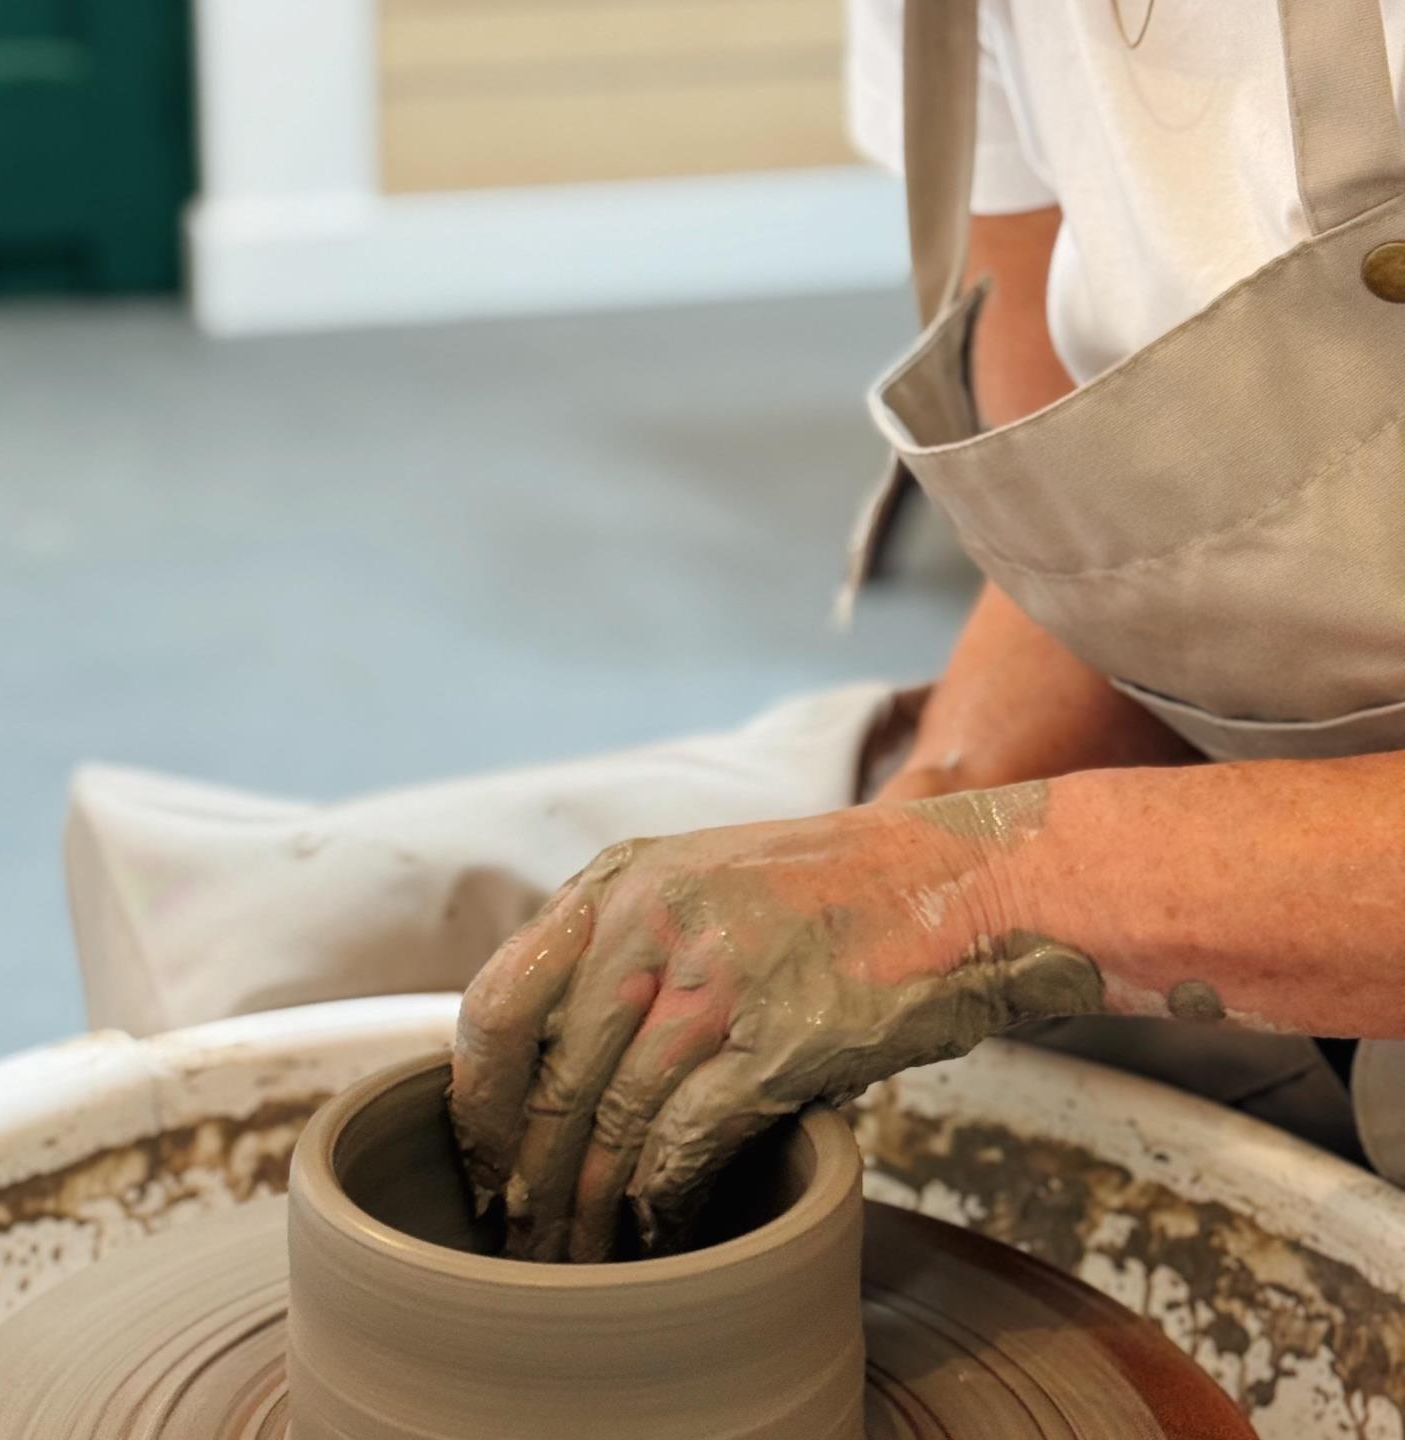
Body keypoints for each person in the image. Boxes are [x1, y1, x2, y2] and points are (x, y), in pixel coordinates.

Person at [67, 0, 1405, 1263]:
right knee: (301, 965)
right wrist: (920, 818)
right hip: (1204, 754)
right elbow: (1142, 543)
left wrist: (978, 894)